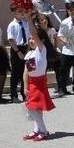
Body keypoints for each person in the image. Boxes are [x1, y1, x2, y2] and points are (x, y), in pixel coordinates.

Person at [22, 12, 57, 141]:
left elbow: (35, 34)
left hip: (39, 82)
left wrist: (29, 20)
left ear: (40, 40)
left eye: (33, 38)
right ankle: (36, 129)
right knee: (34, 108)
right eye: (29, 39)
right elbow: (26, 72)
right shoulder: (29, 54)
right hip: (31, 83)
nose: (31, 40)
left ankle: (44, 131)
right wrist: (25, 87)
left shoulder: (41, 50)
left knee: (32, 108)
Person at [57, 2, 74, 96]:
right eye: (70, 10)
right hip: (67, 50)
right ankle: (62, 88)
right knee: (64, 70)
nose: (72, 12)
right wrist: (65, 41)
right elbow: (60, 35)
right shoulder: (64, 22)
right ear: (67, 11)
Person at [7, 5, 31, 102]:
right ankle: (14, 95)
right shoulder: (12, 25)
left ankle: (24, 93)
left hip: (26, 48)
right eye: (19, 11)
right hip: (16, 48)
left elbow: (29, 37)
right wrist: (18, 52)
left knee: (26, 72)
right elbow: (11, 40)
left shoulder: (26, 23)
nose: (22, 13)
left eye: (22, 11)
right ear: (14, 13)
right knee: (15, 73)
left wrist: (28, 50)